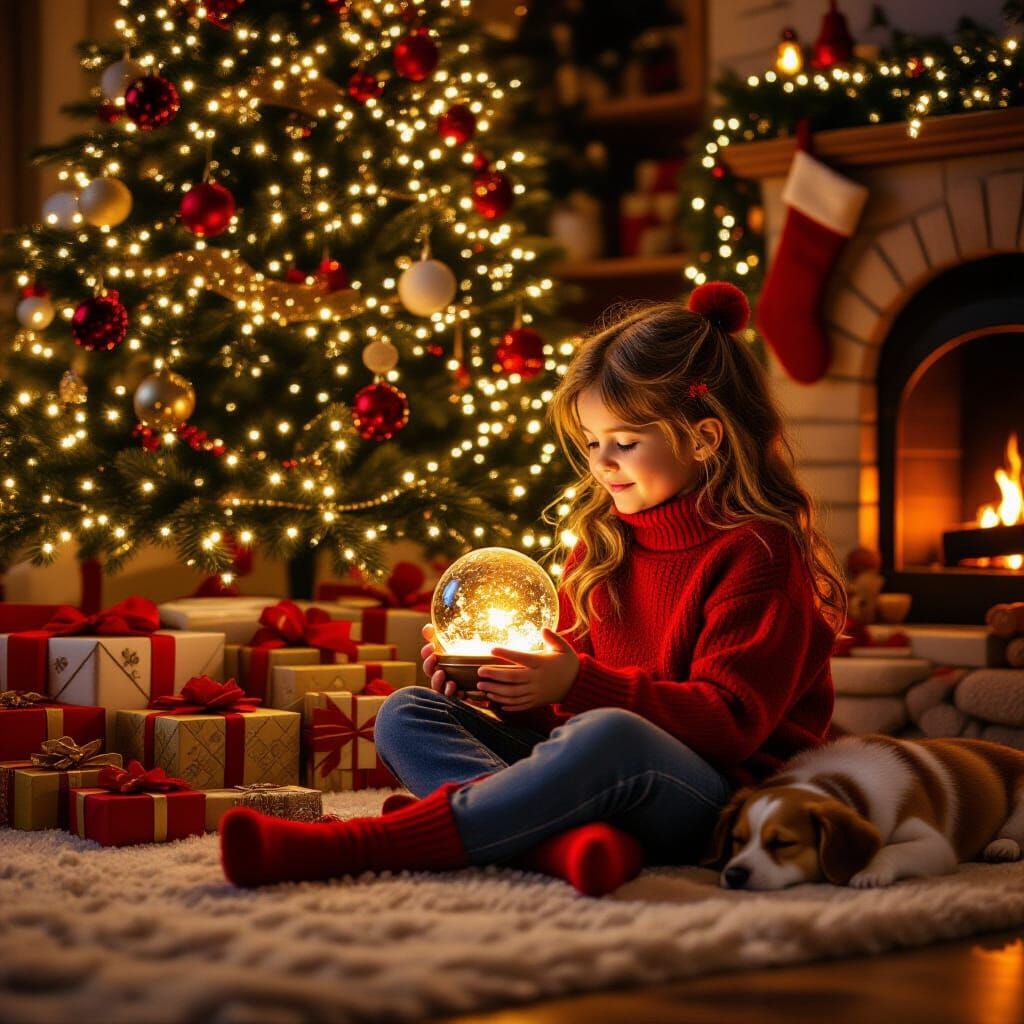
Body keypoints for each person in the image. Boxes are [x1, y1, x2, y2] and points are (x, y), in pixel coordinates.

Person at [219, 282, 844, 895]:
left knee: (610, 734)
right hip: (599, 771)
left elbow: (728, 726)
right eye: (592, 442)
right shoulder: (606, 543)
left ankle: (368, 845)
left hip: (717, 802)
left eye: (625, 443)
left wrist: (577, 684)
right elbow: (559, 715)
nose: (601, 463)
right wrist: (503, 688)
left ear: (705, 439)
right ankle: (562, 846)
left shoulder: (759, 551)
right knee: (407, 714)